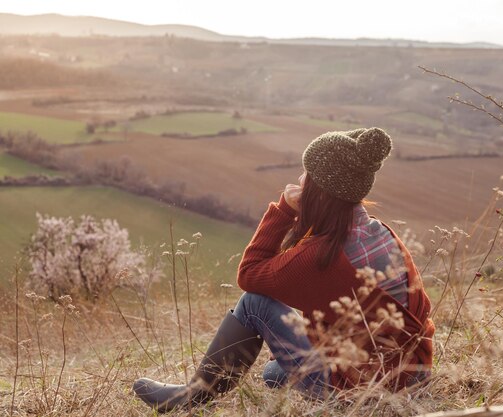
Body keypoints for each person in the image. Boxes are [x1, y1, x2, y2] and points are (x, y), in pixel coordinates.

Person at [132, 127, 435, 413]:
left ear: (319, 190)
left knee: (254, 304)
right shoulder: (383, 233)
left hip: (358, 392)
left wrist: (284, 211)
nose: (301, 179)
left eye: (307, 174)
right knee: (273, 373)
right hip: (411, 378)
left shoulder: (320, 255)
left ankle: (194, 395)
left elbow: (249, 274)